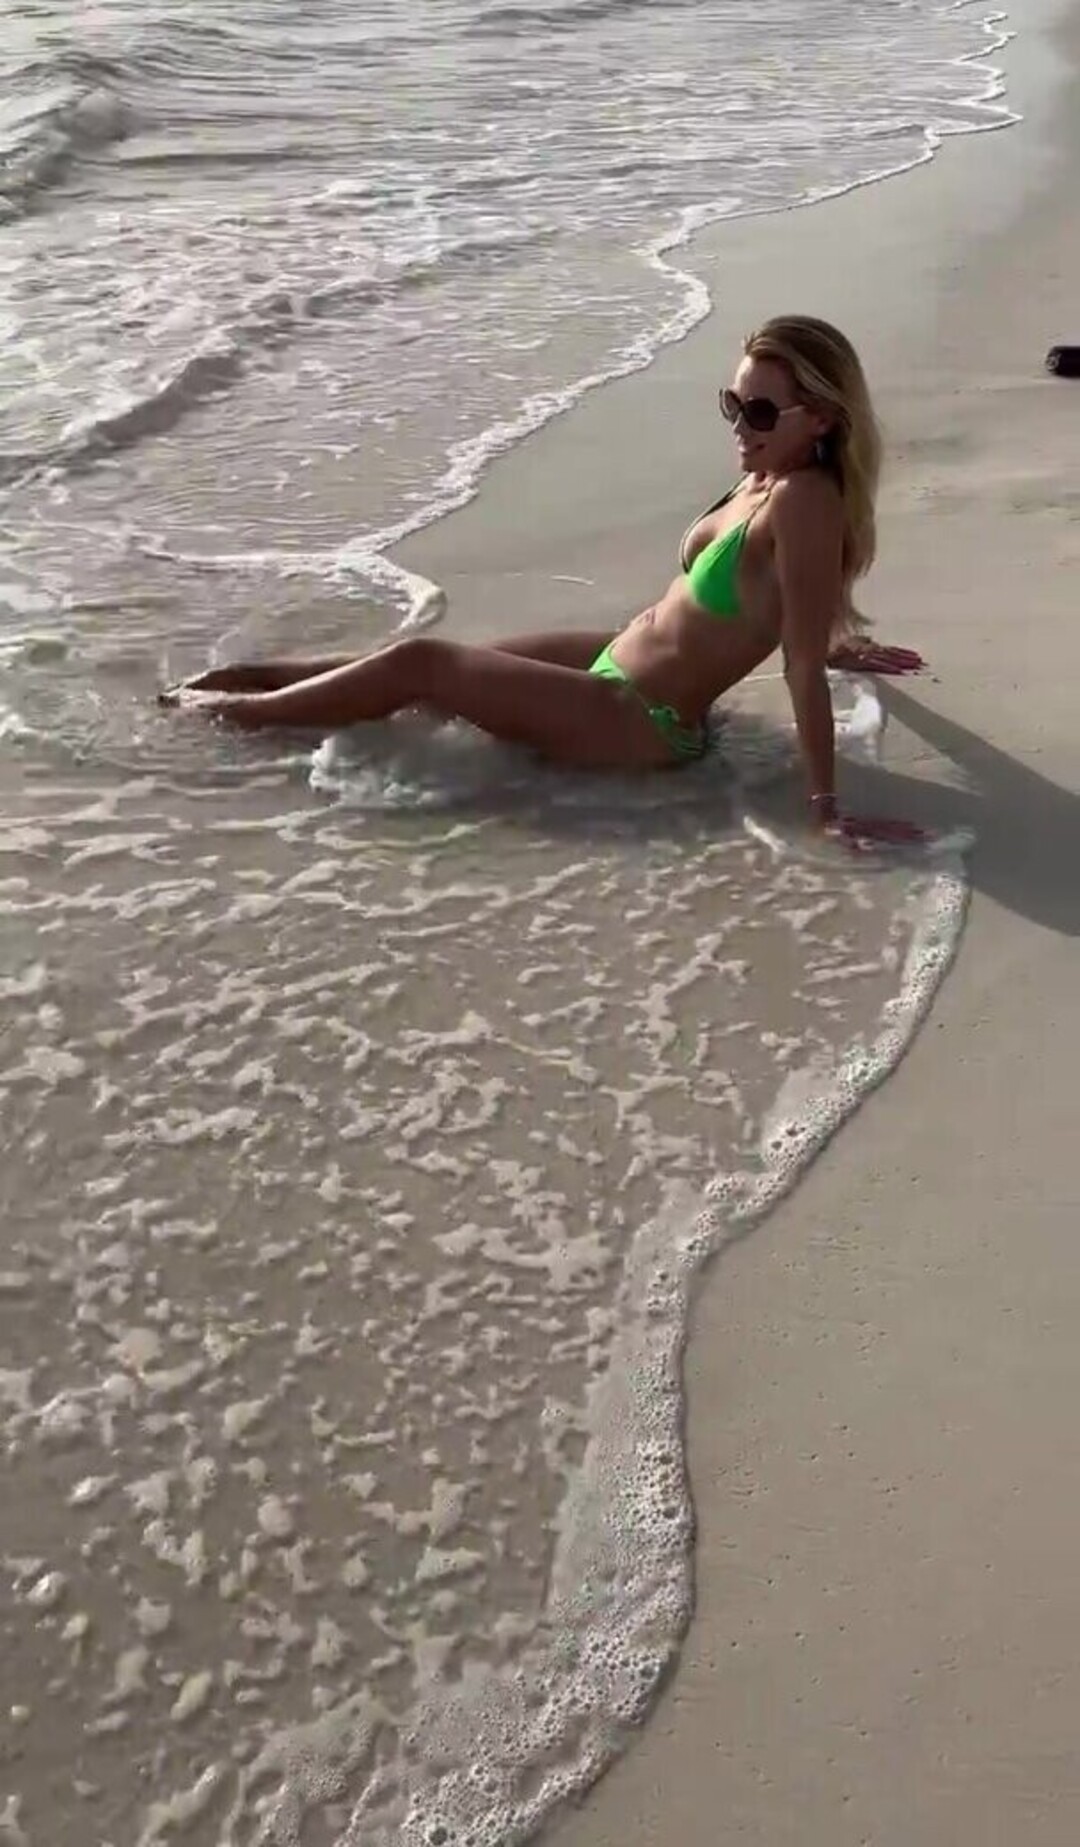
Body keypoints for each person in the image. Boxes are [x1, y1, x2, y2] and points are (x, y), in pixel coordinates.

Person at [161, 314, 924, 841]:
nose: (738, 425)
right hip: (614, 660)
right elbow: (785, 602)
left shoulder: (804, 499)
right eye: (733, 403)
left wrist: (825, 806)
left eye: (759, 412)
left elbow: (796, 663)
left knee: (423, 665)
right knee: (415, 670)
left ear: (821, 418)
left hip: (640, 719)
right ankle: (251, 682)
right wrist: (837, 637)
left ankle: (228, 717)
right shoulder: (766, 476)